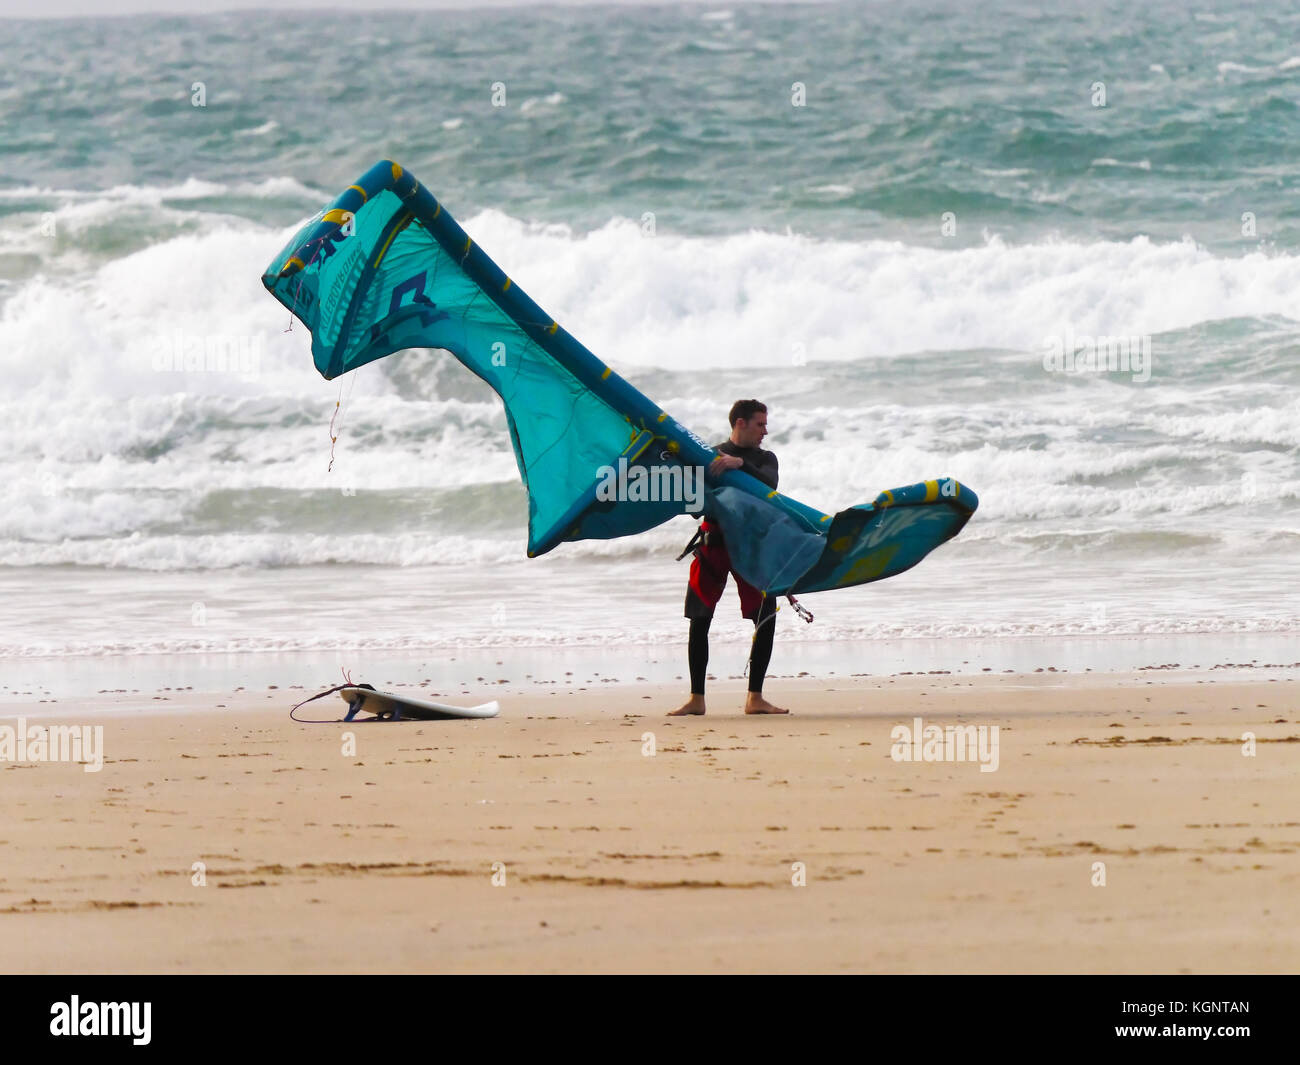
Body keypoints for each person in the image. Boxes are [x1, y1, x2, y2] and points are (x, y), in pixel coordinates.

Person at [669, 399, 788, 716]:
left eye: (765, 423)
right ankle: (696, 698)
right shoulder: (710, 456)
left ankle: (755, 697)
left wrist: (739, 465)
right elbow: (694, 504)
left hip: (750, 546)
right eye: (760, 424)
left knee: (765, 616)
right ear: (740, 423)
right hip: (714, 544)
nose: (765, 430)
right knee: (699, 617)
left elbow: (769, 485)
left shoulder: (765, 460)